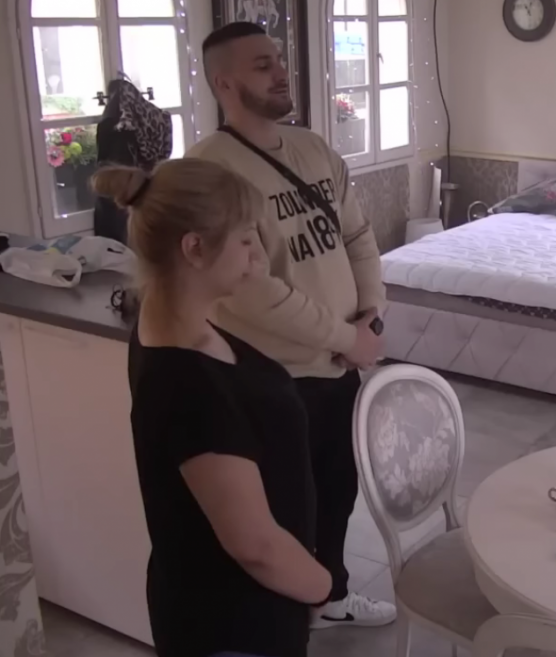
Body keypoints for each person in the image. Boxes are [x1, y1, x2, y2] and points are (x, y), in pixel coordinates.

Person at [185, 22, 394, 629]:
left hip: (339, 367)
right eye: (261, 65)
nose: (281, 72)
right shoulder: (210, 171)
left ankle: (332, 598)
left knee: (336, 492)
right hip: (272, 379)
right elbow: (252, 290)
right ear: (224, 84)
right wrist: (349, 338)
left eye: (278, 59)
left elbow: (357, 234)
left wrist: (371, 313)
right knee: (283, 509)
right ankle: (285, 619)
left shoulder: (313, 149)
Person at [96, 159, 332, 657]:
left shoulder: (180, 325)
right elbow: (255, 546)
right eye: (245, 240)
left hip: (242, 605)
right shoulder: (184, 381)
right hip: (231, 627)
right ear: (194, 248)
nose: (257, 254)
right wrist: (321, 586)